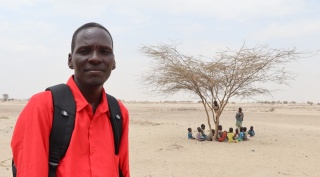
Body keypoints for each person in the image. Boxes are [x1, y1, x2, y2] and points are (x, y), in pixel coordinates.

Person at [10, 22, 130, 177]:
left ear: (113, 62)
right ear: (70, 60)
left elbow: (123, 171)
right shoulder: (44, 106)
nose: (95, 58)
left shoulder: (118, 113)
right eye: (85, 51)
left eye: (105, 51)